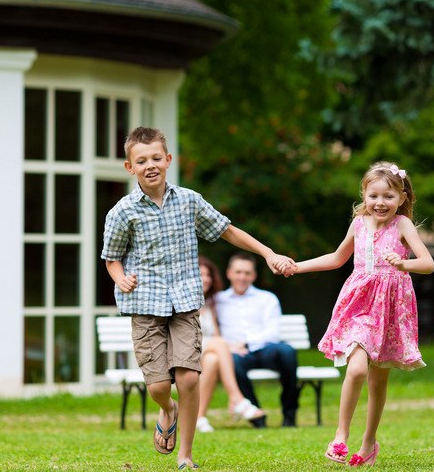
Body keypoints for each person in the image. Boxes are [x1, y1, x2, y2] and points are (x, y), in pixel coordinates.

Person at [101, 126, 294, 469]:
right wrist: (121, 279)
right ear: (130, 167)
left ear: (168, 160)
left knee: (190, 378)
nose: (151, 165)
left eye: (157, 158)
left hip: (185, 303)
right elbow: (111, 257)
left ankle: (186, 455)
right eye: (142, 160)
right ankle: (167, 408)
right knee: (160, 385)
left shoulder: (189, 200)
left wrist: (267, 253)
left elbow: (227, 230)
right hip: (144, 305)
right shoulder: (122, 212)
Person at [280, 161, 434, 467]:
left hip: (391, 308)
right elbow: (338, 258)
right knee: (358, 368)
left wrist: (404, 264)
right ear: (364, 195)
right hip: (359, 305)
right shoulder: (359, 224)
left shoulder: (402, 225)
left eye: (389, 196)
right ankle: (340, 434)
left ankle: (368, 442)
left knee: (378, 383)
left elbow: (427, 263)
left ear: (402, 198)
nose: (380, 203)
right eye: (374, 195)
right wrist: (299, 266)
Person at [215, 252, 299, 428]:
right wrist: (230, 347)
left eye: (247, 273)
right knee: (233, 362)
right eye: (238, 272)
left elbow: (273, 333)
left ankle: (289, 415)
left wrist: (247, 343)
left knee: (287, 352)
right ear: (229, 273)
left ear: (253, 275)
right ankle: (257, 417)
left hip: (265, 349)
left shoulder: (267, 298)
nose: (242, 277)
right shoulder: (218, 301)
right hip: (236, 354)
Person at [196, 256, 266, 433]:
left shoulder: (211, 303)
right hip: (188, 351)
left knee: (213, 360)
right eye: (200, 274)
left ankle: (199, 417)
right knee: (218, 345)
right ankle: (237, 398)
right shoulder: (185, 304)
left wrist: (227, 347)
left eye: (208, 275)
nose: (205, 279)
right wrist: (226, 346)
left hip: (207, 353)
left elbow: (217, 336)